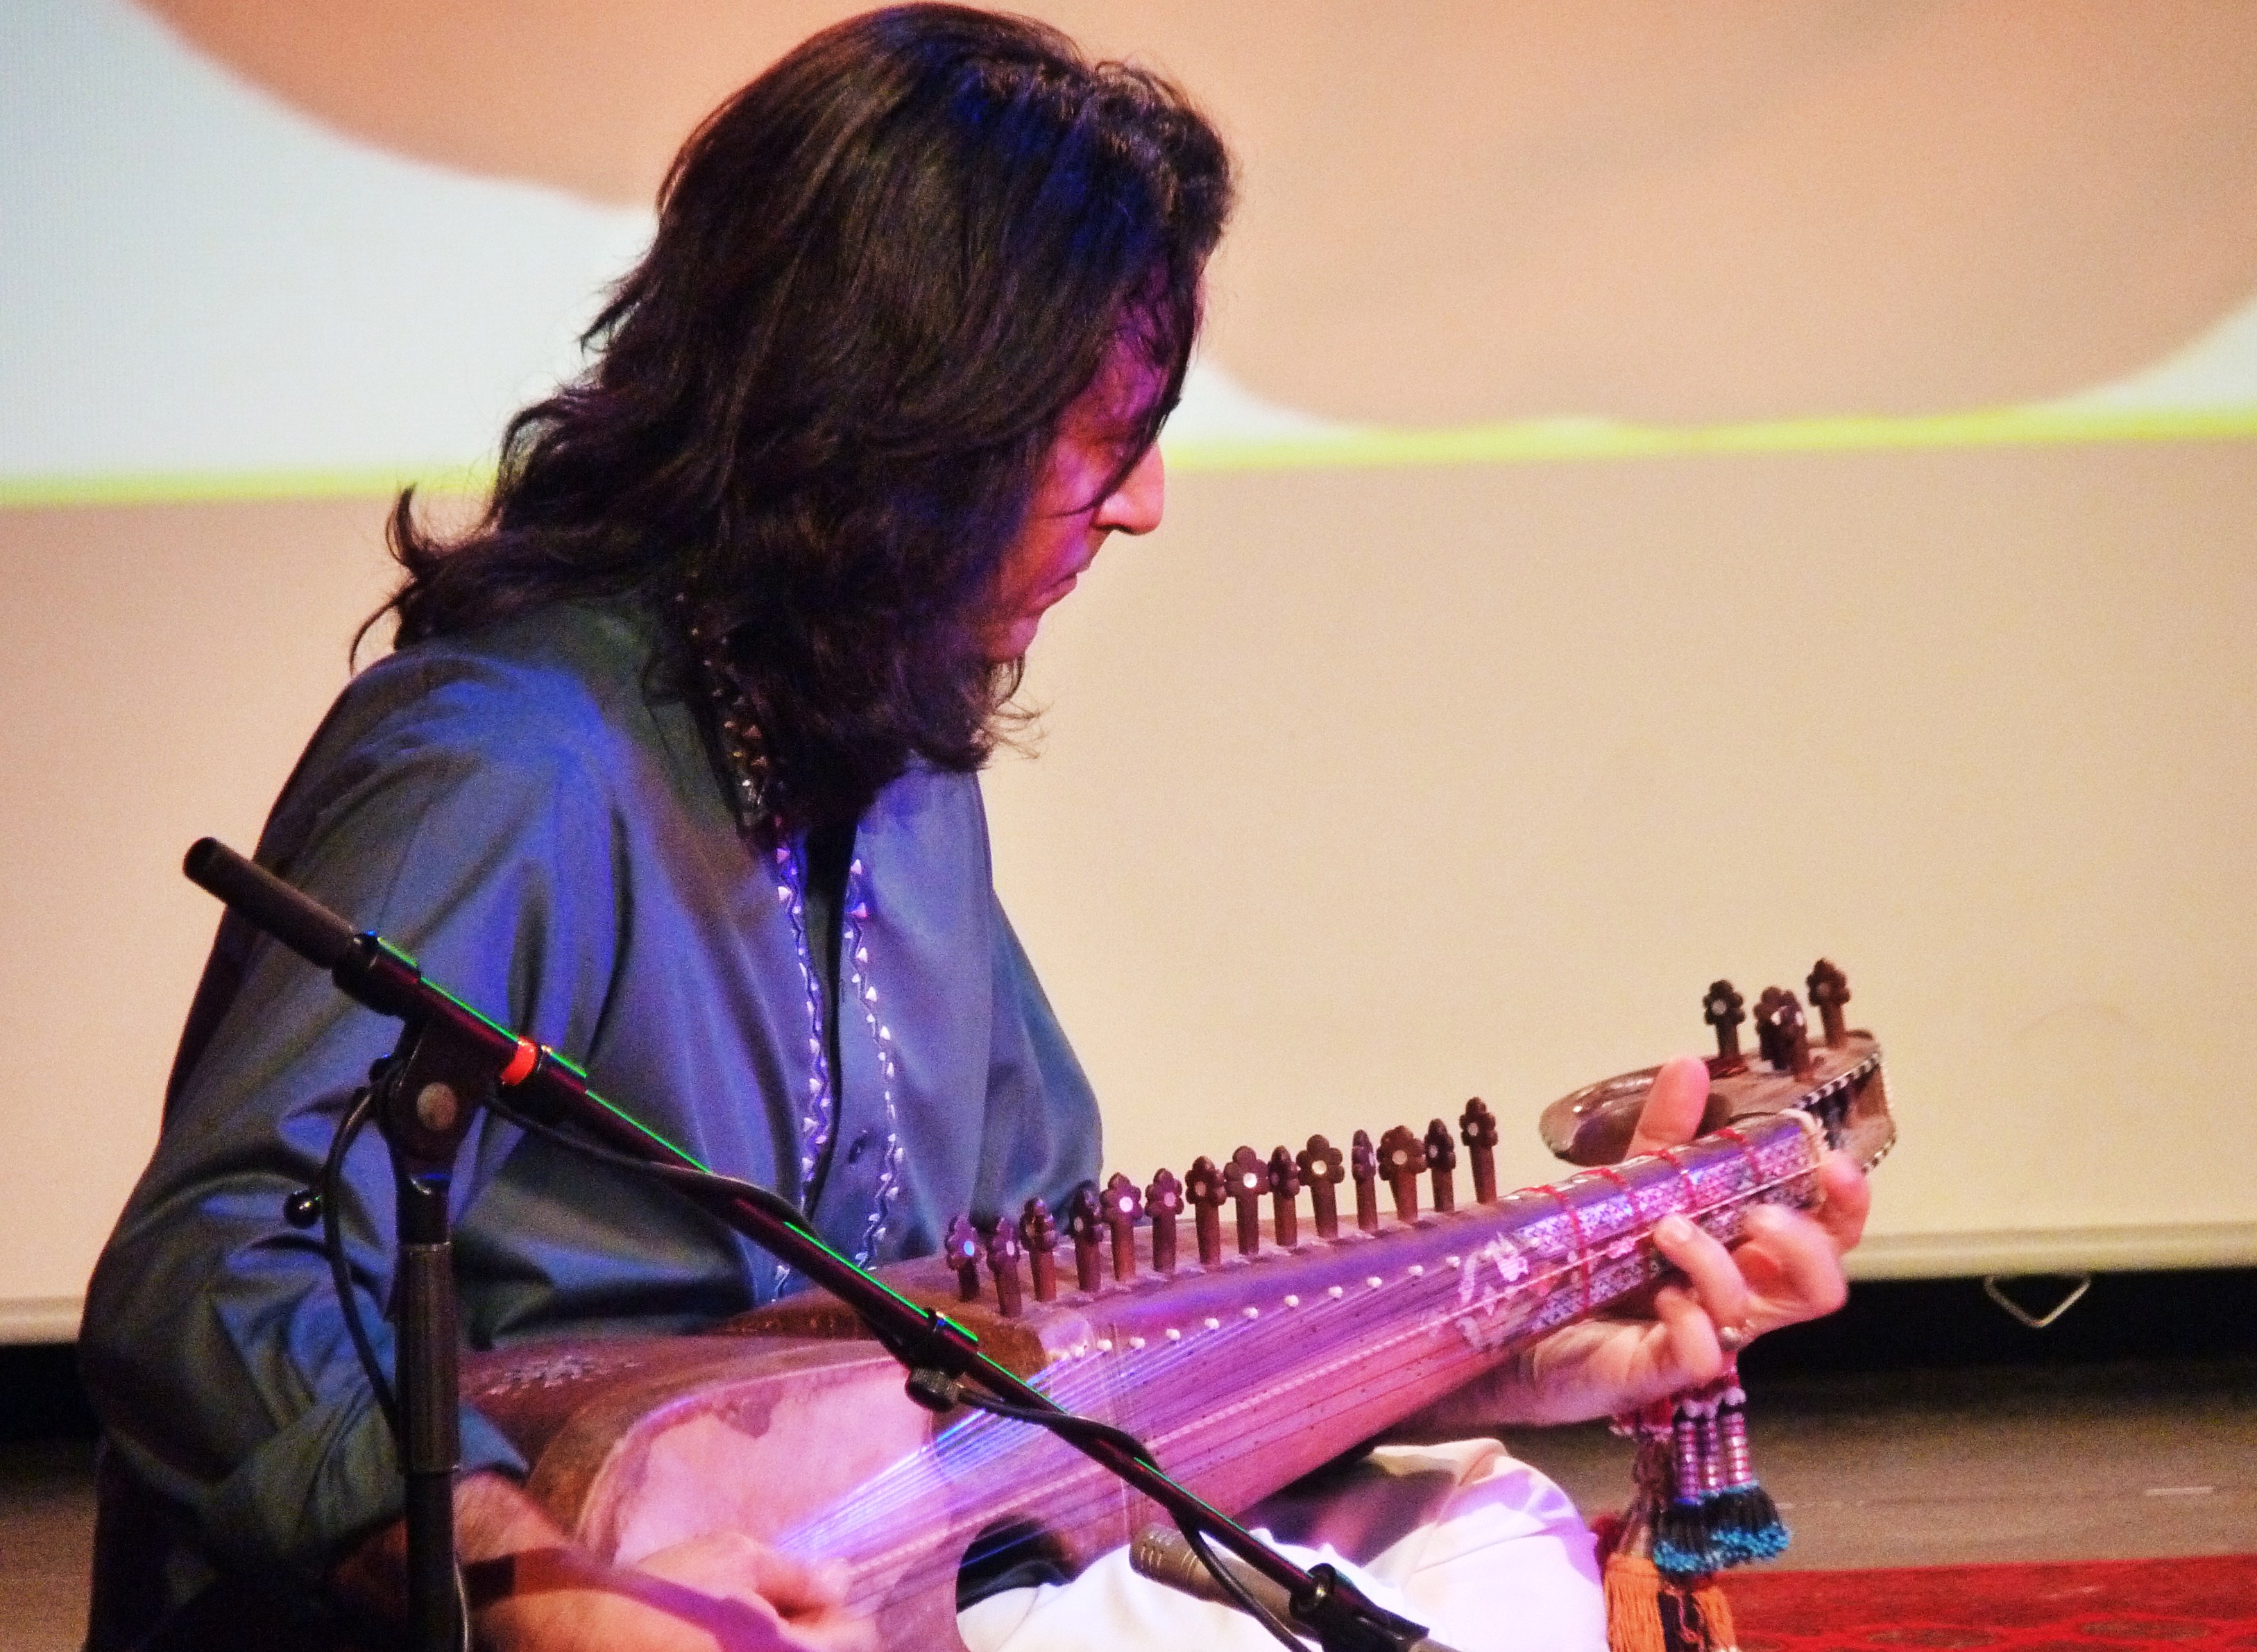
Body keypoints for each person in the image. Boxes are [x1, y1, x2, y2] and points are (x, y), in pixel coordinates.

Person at [80, 8, 1867, 1651]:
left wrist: (1529, 1349)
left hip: (919, 1573)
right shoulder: (508, 761)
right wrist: (534, 1579)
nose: (1146, 505)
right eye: (1108, 439)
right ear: (910, 424)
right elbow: (207, 1275)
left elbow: (1065, 1357)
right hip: (581, 1599)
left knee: (1480, 1539)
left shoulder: (903, 773)